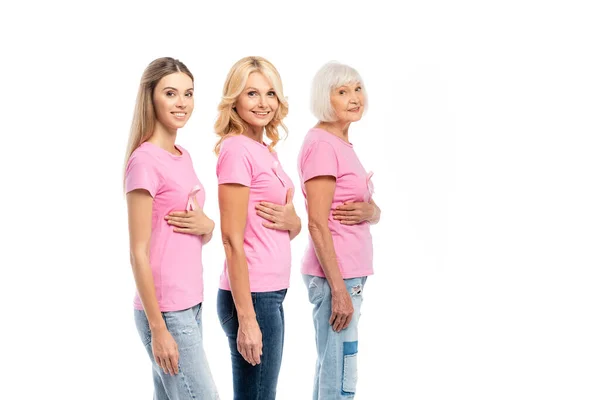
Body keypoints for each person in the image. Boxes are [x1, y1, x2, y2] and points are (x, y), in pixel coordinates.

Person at [124, 57, 219, 399]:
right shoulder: (144, 161)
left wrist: (208, 226)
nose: (182, 103)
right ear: (151, 98)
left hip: (192, 301)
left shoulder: (184, 155)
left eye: (188, 93)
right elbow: (137, 253)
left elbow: (194, 227)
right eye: (171, 93)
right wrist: (158, 328)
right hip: (166, 310)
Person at [214, 56, 301, 400]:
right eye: (252, 93)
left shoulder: (265, 150)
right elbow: (231, 240)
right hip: (252, 297)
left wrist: (294, 223)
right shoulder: (236, 150)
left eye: (270, 94)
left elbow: (279, 223)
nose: (263, 103)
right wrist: (247, 319)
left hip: (271, 292)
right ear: (234, 99)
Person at [297, 61, 381, 399]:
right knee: (339, 376)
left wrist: (372, 212)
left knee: (335, 369)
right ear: (324, 98)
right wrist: (339, 292)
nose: (353, 98)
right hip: (337, 277)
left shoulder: (340, 144)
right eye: (342, 92)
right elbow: (317, 223)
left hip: (348, 275)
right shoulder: (322, 144)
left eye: (357, 89)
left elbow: (362, 208)